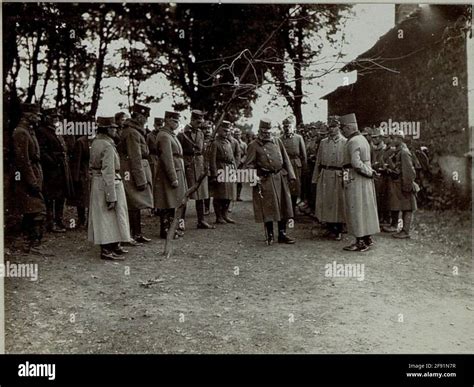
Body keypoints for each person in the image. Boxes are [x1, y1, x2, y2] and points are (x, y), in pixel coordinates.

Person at [243, 118, 296, 245]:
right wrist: (254, 177)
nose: (266, 133)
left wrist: (291, 176)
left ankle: (282, 234)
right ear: (259, 131)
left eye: (268, 130)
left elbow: (286, 159)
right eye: (264, 130)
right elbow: (248, 165)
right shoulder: (253, 145)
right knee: (268, 208)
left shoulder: (277, 141)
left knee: (284, 206)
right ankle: (270, 235)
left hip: (279, 177)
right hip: (265, 179)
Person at [88, 117, 131, 260]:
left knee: (108, 216)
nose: (116, 130)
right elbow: (108, 171)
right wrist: (110, 195)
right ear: (106, 129)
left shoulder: (97, 142)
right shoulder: (106, 146)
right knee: (107, 215)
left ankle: (113, 245)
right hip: (107, 182)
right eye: (113, 128)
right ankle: (106, 249)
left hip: (99, 181)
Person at [340, 113, 380, 252]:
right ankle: (367, 238)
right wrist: (370, 171)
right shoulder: (362, 139)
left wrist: (369, 172)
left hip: (356, 179)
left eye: (343, 128)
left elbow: (356, 163)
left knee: (356, 209)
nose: (342, 131)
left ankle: (360, 241)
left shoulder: (353, 141)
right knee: (366, 209)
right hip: (364, 179)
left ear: (350, 127)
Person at [12, 103, 47, 252]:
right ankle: (31, 244)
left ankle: (29, 243)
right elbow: (23, 161)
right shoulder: (21, 132)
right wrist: (32, 181)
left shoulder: (28, 131)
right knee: (36, 209)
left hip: (33, 171)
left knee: (32, 209)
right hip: (26, 176)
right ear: (28, 115)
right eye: (37, 114)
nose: (39, 117)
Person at [117, 117, 154, 244]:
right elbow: (135, 157)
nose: (146, 120)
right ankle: (131, 234)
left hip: (130, 169)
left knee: (134, 204)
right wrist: (140, 179)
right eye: (145, 117)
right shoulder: (132, 133)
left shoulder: (132, 131)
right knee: (133, 203)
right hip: (131, 171)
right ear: (139, 117)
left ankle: (136, 233)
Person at [37, 108, 74, 233]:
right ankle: (51, 223)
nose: (56, 119)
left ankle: (59, 220)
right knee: (50, 196)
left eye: (57, 117)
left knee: (60, 196)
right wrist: (53, 161)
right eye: (53, 117)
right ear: (47, 118)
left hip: (62, 168)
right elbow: (42, 151)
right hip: (51, 170)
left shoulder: (58, 131)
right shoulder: (42, 131)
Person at [312, 116, 346, 240]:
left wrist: (346, 179)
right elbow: (318, 162)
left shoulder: (345, 142)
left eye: (334, 127)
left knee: (337, 203)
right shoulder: (323, 142)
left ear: (339, 127)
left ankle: (338, 229)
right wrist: (315, 178)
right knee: (326, 202)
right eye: (330, 127)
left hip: (338, 175)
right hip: (325, 174)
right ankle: (330, 227)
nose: (331, 129)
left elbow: (348, 164)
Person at [177, 110, 213, 229]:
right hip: (188, 166)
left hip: (199, 164)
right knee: (185, 195)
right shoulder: (182, 134)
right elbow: (178, 152)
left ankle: (201, 220)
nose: (200, 124)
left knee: (201, 195)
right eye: (198, 121)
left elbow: (202, 150)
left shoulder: (200, 133)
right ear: (192, 120)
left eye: (201, 121)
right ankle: (180, 222)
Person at [155, 111, 188, 239]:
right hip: (169, 173)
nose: (176, 123)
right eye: (174, 121)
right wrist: (173, 177)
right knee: (167, 202)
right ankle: (166, 230)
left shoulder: (170, 135)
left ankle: (170, 229)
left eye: (177, 121)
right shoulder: (164, 136)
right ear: (167, 120)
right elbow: (167, 158)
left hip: (178, 170)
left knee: (173, 202)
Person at [383, 130, 418, 238]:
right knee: (403, 206)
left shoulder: (403, 152)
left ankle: (405, 232)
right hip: (400, 183)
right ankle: (402, 230)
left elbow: (408, 171)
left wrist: (408, 186)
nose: (392, 140)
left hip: (404, 183)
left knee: (407, 207)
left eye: (394, 138)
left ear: (400, 139)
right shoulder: (399, 151)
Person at [209, 121, 237, 224]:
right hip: (221, 169)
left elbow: (232, 157)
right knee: (219, 195)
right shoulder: (215, 143)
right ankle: (218, 216)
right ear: (219, 130)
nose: (226, 133)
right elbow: (212, 160)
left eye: (228, 131)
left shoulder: (229, 142)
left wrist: (234, 169)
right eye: (224, 131)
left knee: (229, 194)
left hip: (229, 170)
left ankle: (225, 215)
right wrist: (214, 174)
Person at [280, 116, 307, 215]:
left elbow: (303, 155)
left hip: (295, 165)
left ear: (293, 127)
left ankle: (294, 207)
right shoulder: (280, 139)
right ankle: (286, 208)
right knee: (284, 186)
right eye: (285, 126)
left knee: (295, 187)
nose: (287, 128)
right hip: (284, 166)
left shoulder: (298, 138)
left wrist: (304, 169)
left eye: (289, 126)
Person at [70, 134, 94, 228]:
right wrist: (76, 177)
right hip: (84, 173)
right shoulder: (81, 142)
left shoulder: (98, 141)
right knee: (82, 198)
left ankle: (90, 221)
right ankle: (81, 219)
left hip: (94, 173)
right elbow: (77, 160)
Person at [370, 127, 391, 226]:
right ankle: (378, 218)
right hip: (374, 176)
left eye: (376, 137)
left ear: (381, 138)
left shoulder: (385, 149)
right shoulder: (372, 148)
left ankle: (386, 219)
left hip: (383, 177)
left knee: (384, 198)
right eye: (373, 137)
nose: (373, 139)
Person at [147, 117, 163, 215]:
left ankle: (160, 206)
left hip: (161, 158)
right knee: (153, 183)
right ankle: (153, 207)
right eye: (158, 125)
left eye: (161, 125)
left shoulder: (162, 135)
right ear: (154, 125)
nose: (159, 127)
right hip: (153, 159)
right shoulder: (149, 136)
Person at [233, 128, 248, 201]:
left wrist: (242, 161)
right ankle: (232, 195)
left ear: (240, 135)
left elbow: (246, 154)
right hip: (233, 164)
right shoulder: (231, 143)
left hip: (241, 165)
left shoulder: (244, 144)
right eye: (235, 134)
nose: (237, 136)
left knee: (240, 181)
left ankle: (238, 196)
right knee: (232, 180)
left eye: (238, 134)